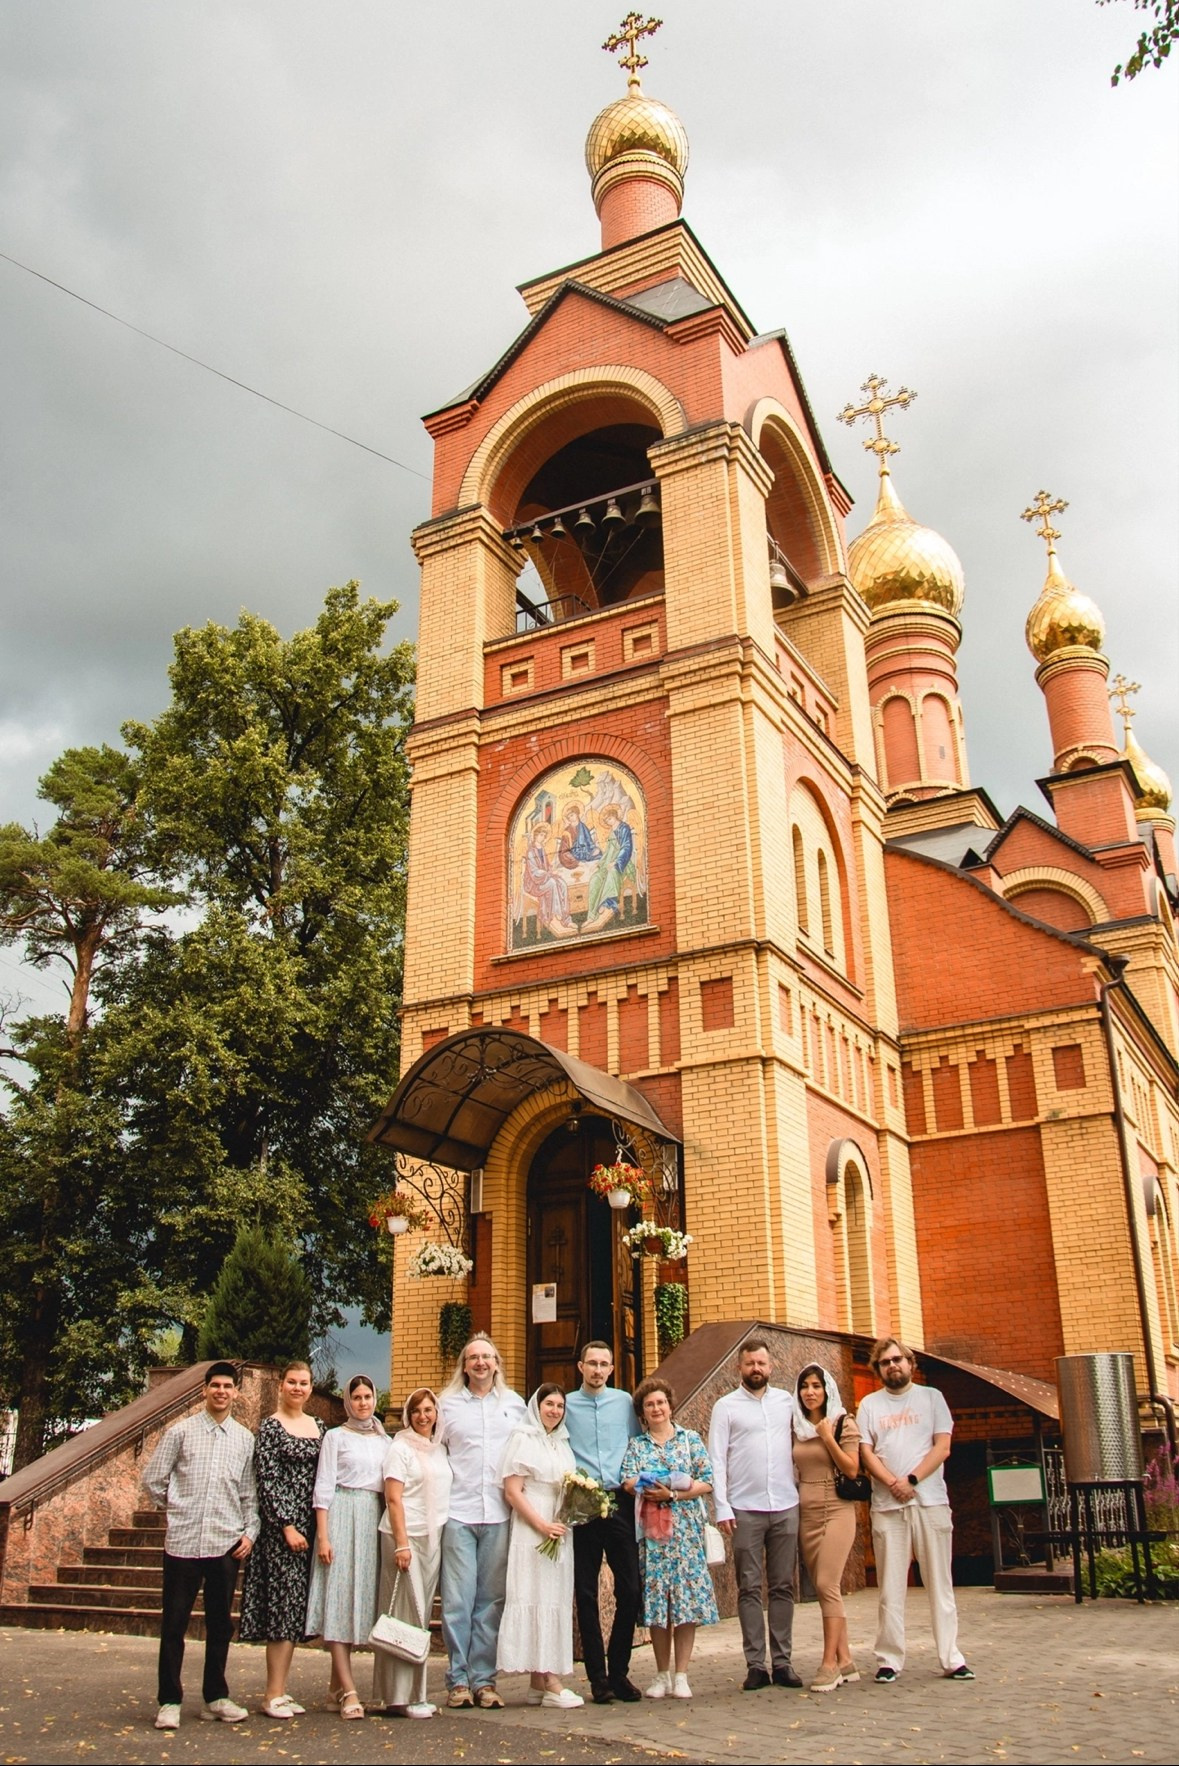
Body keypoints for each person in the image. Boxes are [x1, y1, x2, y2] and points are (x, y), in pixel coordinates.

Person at [143, 1360, 259, 1731]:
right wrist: (175, 1509)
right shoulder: (181, 1433)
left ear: (236, 1392)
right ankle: (169, 1700)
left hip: (225, 1543)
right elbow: (153, 1480)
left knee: (220, 1625)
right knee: (174, 1623)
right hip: (183, 1543)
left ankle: (215, 1696)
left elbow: (248, 1493)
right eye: (215, 1386)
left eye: (228, 1386)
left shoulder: (244, 1439)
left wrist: (249, 1532)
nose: (221, 1392)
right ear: (204, 1390)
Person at [856, 1338, 974, 1684]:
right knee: (891, 1587)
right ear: (877, 1369)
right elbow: (866, 1451)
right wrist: (893, 1482)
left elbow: (943, 1446)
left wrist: (911, 1480)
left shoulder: (932, 1398)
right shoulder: (869, 1405)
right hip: (888, 1507)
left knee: (940, 1584)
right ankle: (889, 1659)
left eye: (898, 1360)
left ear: (911, 1364)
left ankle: (951, 1658)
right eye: (885, 1362)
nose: (893, 1366)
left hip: (930, 1502)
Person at [707, 1338, 802, 1691]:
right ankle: (755, 1665)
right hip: (744, 1508)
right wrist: (722, 1506)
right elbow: (716, 1459)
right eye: (750, 1364)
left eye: (762, 1363)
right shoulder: (725, 1406)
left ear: (771, 1366)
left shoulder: (785, 1402)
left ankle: (783, 1662)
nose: (756, 1369)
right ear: (739, 1367)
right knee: (749, 1588)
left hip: (785, 1505)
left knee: (783, 1586)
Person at [438, 1335, 527, 1709]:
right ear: (464, 1364)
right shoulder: (446, 1405)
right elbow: (431, 1450)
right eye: (473, 1357)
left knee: (490, 1602)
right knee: (458, 1601)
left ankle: (484, 1681)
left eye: (487, 1357)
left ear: (497, 1363)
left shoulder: (514, 1405)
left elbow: (526, 1453)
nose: (480, 1363)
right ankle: (458, 1680)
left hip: (498, 1514)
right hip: (458, 1512)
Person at [620, 1376, 717, 1701]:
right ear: (642, 1413)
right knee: (659, 1603)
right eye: (650, 1405)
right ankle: (661, 1674)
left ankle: (682, 1675)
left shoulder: (689, 1440)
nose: (656, 1408)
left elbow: (706, 1481)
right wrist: (648, 1486)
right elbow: (627, 1480)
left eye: (661, 1402)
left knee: (685, 1604)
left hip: (685, 1532)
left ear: (670, 1406)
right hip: (653, 1534)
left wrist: (672, 1492)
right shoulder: (638, 1445)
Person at [239, 1360, 325, 1718]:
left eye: (304, 1383)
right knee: (281, 1610)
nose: (298, 1388)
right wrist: (287, 1525)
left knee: (294, 1612)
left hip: (311, 1529)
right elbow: (268, 1481)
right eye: (292, 1382)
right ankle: (272, 1693)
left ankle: (282, 1690)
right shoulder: (271, 1428)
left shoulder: (318, 1426)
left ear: (310, 1387)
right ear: (281, 1385)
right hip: (282, 1534)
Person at [564, 1339, 642, 1704]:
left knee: (630, 1588)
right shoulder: (566, 1405)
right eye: (591, 1363)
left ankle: (619, 1671)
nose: (597, 1370)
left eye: (603, 1364)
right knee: (585, 1591)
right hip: (583, 1504)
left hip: (619, 1501)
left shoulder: (624, 1402)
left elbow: (636, 1445)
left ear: (611, 1368)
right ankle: (597, 1677)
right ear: (580, 1367)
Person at [305, 1374, 387, 1719]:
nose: (363, 1403)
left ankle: (335, 1686)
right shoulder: (335, 1438)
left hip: (371, 1518)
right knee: (339, 1600)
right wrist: (323, 1535)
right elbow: (323, 1485)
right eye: (356, 1397)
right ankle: (350, 1691)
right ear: (346, 1401)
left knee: (362, 1599)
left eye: (368, 1396)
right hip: (341, 1513)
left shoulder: (385, 1440)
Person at [497, 1384, 583, 1709]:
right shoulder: (523, 1438)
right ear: (537, 1406)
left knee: (553, 1597)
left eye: (560, 1406)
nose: (555, 1411)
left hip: (558, 1526)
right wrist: (541, 1525)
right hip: (532, 1527)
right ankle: (552, 1682)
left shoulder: (562, 1442)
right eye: (549, 1404)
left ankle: (537, 1682)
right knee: (534, 1595)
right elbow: (513, 1491)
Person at [373, 1386, 452, 1720]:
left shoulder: (438, 1448)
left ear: (437, 1415)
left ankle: (416, 1694)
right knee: (405, 1613)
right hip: (404, 1538)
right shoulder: (400, 1447)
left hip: (433, 1537)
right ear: (409, 1414)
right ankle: (397, 1697)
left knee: (419, 1617)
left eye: (429, 1410)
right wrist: (402, 1543)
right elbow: (394, 1498)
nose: (423, 1416)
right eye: (417, 1410)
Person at [791, 1364, 863, 1692]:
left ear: (827, 1389)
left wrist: (826, 1437)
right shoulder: (796, 1425)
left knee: (826, 1583)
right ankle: (846, 1659)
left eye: (816, 1385)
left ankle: (829, 1663)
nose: (810, 1392)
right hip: (806, 1512)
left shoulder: (842, 1422)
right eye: (804, 1386)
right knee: (823, 1589)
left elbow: (851, 1469)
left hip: (836, 1509)